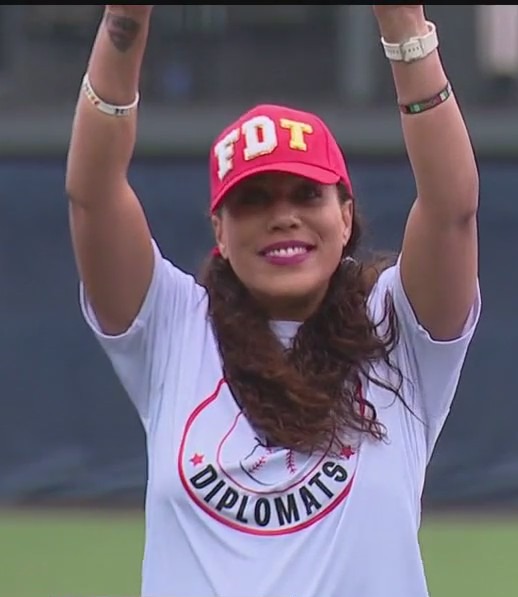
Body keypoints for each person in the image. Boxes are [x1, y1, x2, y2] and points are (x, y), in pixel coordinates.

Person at [66, 5, 480, 597]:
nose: (283, 217)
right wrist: (123, 21)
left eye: (306, 195)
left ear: (344, 219)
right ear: (220, 234)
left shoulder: (395, 330)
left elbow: (452, 206)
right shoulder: (174, 327)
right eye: (253, 200)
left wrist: (405, 27)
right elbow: (93, 195)